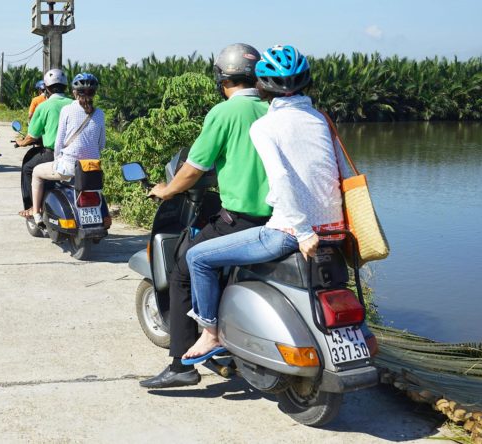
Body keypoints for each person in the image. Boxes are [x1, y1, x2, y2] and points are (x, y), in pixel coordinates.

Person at [181, 44, 345, 361]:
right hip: (334, 229)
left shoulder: (265, 126)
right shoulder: (320, 119)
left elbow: (280, 178)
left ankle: (210, 334)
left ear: (262, 86)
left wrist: (303, 232)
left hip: (287, 233)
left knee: (198, 257)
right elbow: (341, 172)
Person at [139, 43, 273, 389]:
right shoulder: (272, 109)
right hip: (277, 222)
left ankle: (181, 364)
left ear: (222, 79)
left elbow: (193, 168)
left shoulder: (224, 113)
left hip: (241, 219)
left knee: (183, 268)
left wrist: (166, 190)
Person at [30, 73, 105, 225]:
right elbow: (101, 144)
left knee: (36, 172)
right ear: (94, 93)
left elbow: (59, 142)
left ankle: (36, 214)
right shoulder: (100, 114)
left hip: (68, 168)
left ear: (74, 92)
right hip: (91, 170)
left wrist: (57, 159)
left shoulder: (67, 110)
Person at [16, 69, 73, 217]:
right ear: (66, 87)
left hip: (52, 154)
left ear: (47, 88)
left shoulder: (44, 106)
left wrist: (22, 142)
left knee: (28, 168)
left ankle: (32, 207)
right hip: (74, 155)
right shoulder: (74, 104)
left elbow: (32, 135)